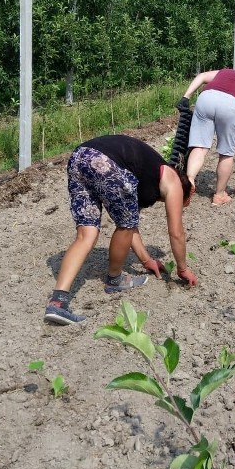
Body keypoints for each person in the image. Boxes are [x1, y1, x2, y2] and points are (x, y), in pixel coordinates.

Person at [44, 133, 197, 325]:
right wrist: (182, 268)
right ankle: (114, 280)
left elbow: (130, 223)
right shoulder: (173, 180)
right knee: (124, 225)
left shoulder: (146, 177)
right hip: (104, 162)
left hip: (79, 158)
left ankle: (57, 303)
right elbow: (176, 232)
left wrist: (146, 260)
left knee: (87, 234)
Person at [178, 58, 235, 206]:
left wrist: (186, 96)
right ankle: (219, 195)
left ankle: (189, 182)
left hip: (206, 99)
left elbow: (202, 76)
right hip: (230, 105)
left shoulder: (225, 72)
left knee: (199, 146)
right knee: (226, 153)